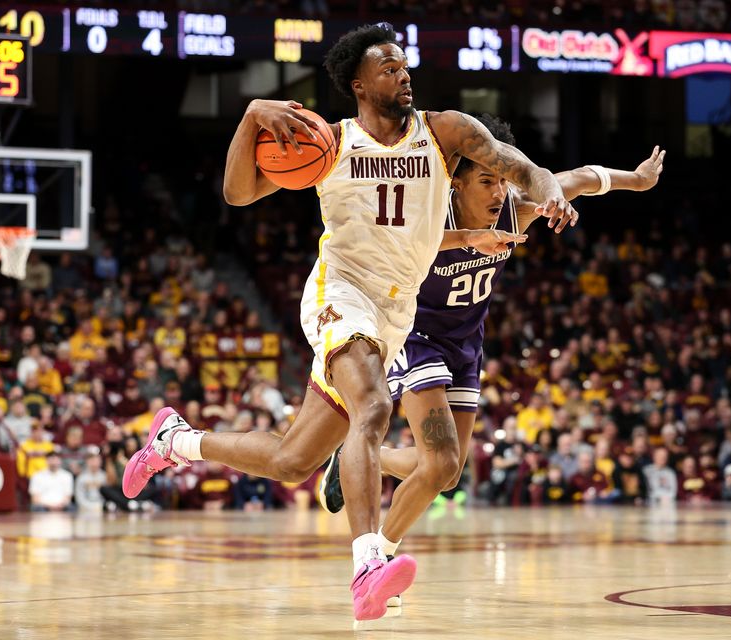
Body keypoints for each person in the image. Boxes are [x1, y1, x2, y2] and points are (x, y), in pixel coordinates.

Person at [121, 23, 575, 621]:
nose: (402, 73)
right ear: (358, 85)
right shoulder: (329, 145)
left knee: (293, 461)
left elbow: (521, 166)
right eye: (388, 68)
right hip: (340, 291)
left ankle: (175, 441)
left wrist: (551, 194)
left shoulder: (445, 133)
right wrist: (252, 114)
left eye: (404, 65)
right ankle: (368, 566)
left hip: (395, 307)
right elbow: (236, 192)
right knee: (374, 408)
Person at [317, 115, 665, 599]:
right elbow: (390, 242)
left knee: (446, 470)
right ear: (454, 184)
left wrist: (638, 180)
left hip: (466, 344)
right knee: (439, 462)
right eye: (486, 180)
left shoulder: (515, 210)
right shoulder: (429, 216)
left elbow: (581, 178)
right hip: (416, 336)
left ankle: (363, 487)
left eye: (501, 179)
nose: (498, 190)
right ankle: (376, 570)